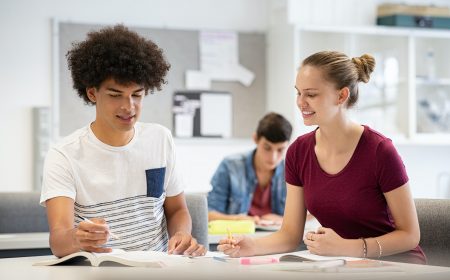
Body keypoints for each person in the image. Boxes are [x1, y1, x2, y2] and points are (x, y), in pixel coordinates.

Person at [218, 51, 426, 264]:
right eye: (298, 93)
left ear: (341, 96)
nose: (300, 102)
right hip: (342, 265)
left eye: (311, 94)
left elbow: (410, 235)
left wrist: (347, 247)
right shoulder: (298, 152)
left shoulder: (380, 151)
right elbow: (290, 235)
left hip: (396, 265)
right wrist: (251, 245)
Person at [40, 25, 206, 258]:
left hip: (157, 269)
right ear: (92, 93)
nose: (129, 107)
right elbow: (58, 240)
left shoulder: (160, 139)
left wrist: (180, 234)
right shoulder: (64, 155)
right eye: (115, 95)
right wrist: (77, 238)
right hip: (97, 271)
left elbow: (177, 210)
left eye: (137, 94)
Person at [208, 112, 292, 225]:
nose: (273, 157)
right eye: (267, 148)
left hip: (276, 240)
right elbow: (209, 214)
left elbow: (308, 213)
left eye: (280, 150)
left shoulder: (291, 170)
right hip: (237, 238)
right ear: (255, 139)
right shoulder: (230, 166)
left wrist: (283, 220)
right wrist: (238, 220)